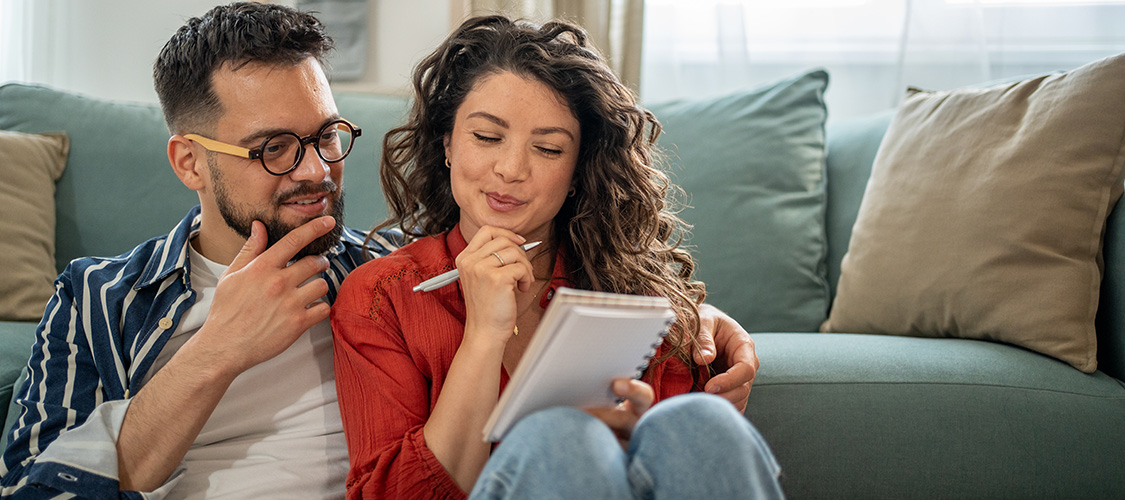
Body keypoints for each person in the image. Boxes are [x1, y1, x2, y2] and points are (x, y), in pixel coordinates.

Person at [0, 3, 761, 499]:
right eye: (272, 148)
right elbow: (35, 489)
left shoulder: (377, 267)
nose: (313, 169)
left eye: (326, 137)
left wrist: (698, 316)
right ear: (189, 161)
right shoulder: (100, 296)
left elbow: (523, 259)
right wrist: (217, 350)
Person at [330, 15, 784, 500]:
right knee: (562, 438)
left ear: (576, 171)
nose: (510, 169)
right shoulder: (382, 297)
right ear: (447, 144)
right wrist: (483, 335)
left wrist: (628, 443)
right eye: (486, 137)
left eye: (547, 149)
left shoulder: (626, 291)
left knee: (699, 421)